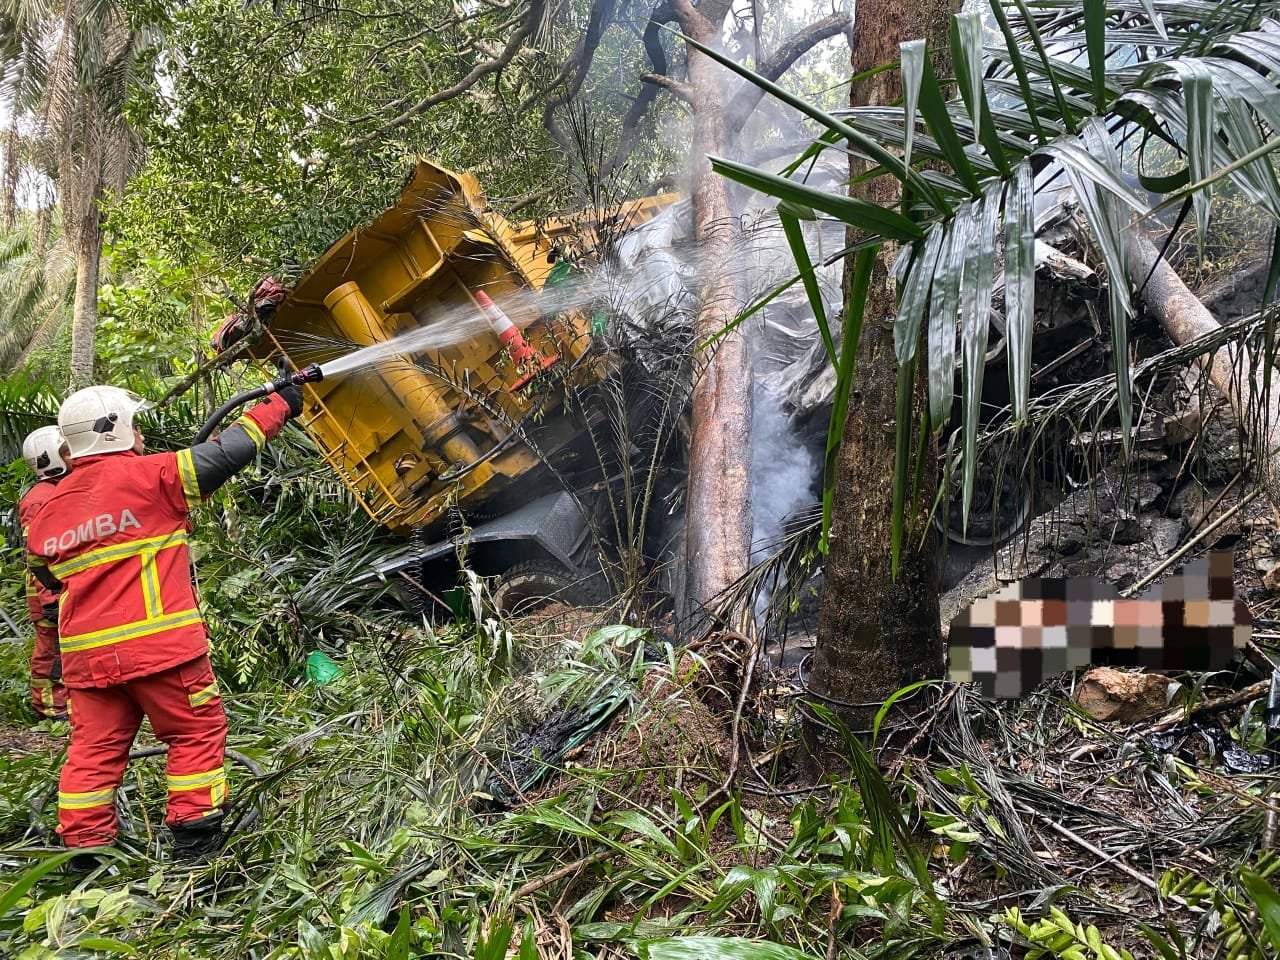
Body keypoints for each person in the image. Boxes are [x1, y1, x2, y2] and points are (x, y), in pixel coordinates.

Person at [26, 381, 302, 861]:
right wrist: (283, 403)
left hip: (88, 663)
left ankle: (84, 851)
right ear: (121, 431)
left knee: (93, 752)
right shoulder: (153, 474)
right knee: (193, 732)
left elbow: (46, 573)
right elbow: (228, 451)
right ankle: (194, 845)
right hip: (162, 651)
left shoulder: (47, 508)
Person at [19, 426, 71, 720]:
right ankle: (51, 709)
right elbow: (41, 553)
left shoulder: (57, 490)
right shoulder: (41, 498)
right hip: (48, 591)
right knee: (53, 654)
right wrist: (50, 599)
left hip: (58, 587)